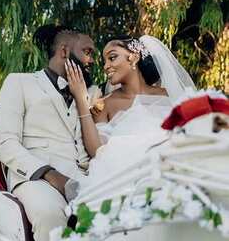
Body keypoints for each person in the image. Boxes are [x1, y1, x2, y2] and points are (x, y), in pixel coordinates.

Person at [0, 25, 101, 241]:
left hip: (82, 177)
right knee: (50, 214)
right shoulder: (19, 83)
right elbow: (5, 144)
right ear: (64, 51)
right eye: (87, 51)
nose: (91, 59)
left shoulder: (90, 93)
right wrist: (51, 175)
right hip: (35, 179)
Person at [66, 34, 196, 193]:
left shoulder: (170, 95)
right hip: (125, 180)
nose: (106, 66)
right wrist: (81, 100)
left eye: (112, 58)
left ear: (134, 57)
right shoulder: (105, 104)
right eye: (104, 61)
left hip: (174, 172)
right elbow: (97, 151)